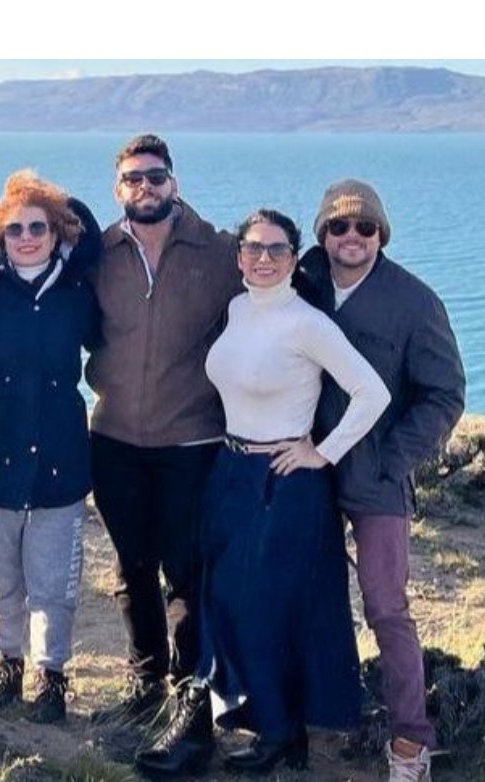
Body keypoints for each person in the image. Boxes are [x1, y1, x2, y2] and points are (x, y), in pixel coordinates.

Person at [136, 209, 390, 777]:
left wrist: (320, 453)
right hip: (230, 471)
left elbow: (370, 393)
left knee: (264, 605)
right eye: (254, 248)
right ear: (239, 256)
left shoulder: (307, 323)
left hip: (284, 480)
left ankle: (278, 731)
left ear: (296, 257)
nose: (264, 258)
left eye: (277, 249)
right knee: (223, 598)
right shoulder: (237, 308)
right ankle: (255, 718)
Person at [299, 181, 465, 782]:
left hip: (376, 478)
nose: (352, 238)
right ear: (322, 233)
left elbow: (445, 393)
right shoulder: (303, 283)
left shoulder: (413, 302)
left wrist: (393, 459)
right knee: (308, 601)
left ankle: (409, 742)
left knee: (386, 607)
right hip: (310, 470)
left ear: (381, 235)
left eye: (365, 228)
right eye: (339, 228)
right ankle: (320, 717)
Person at [85, 133, 242, 726]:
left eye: (155, 177)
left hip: (192, 440)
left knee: (186, 568)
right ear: (117, 188)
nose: (144, 187)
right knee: (132, 566)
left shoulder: (220, 251)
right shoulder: (98, 255)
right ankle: (145, 676)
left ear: (174, 181)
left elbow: (273, 293)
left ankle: (190, 684)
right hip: (115, 438)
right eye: (132, 179)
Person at [0, 171, 102, 724]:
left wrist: (60, 203)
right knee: (3, 578)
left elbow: (89, 235)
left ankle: (51, 677)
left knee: (53, 583)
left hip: (61, 457)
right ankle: (7, 667)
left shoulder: (77, 296)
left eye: (38, 226)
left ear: (55, 233)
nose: (26, 236)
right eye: (15, 227)